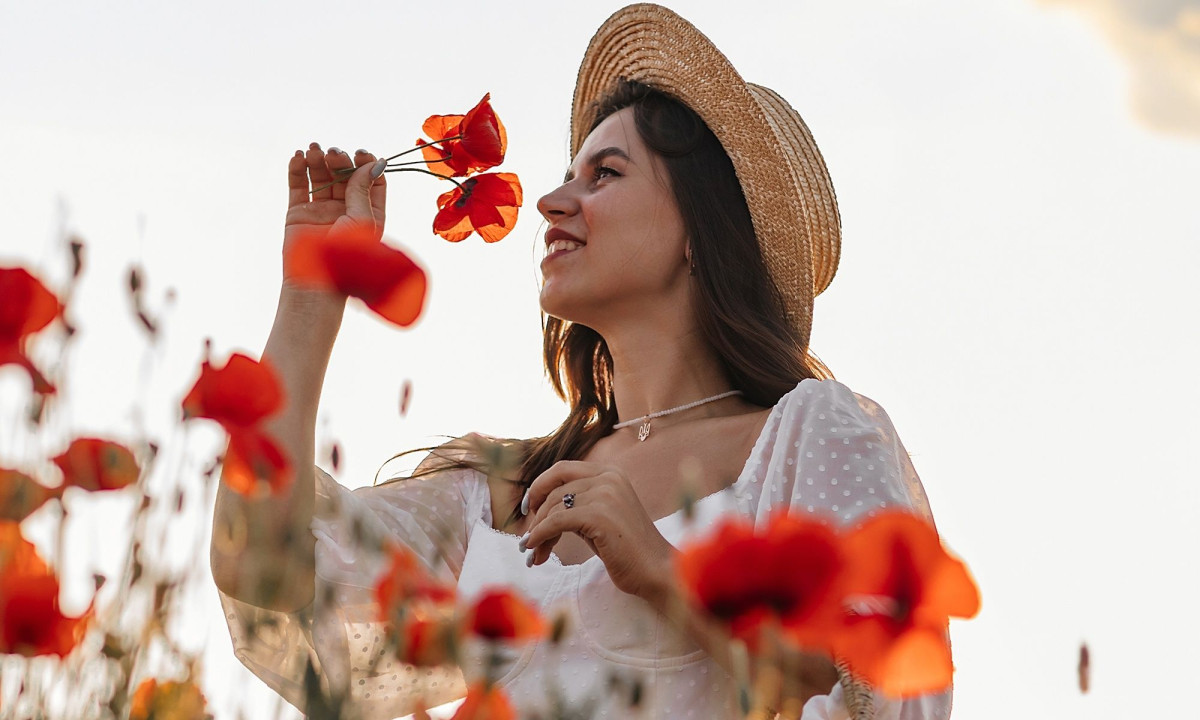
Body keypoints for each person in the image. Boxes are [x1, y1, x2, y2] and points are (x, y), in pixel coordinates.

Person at [211, 5, 953, 719]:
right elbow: (266, 569)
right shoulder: (507, 497)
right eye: (571, 173)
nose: (551, 202)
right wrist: (314, 292)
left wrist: (663, 571)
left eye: (605, 174)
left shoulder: (802, 438)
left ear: (701, 229)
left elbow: (888, 693)